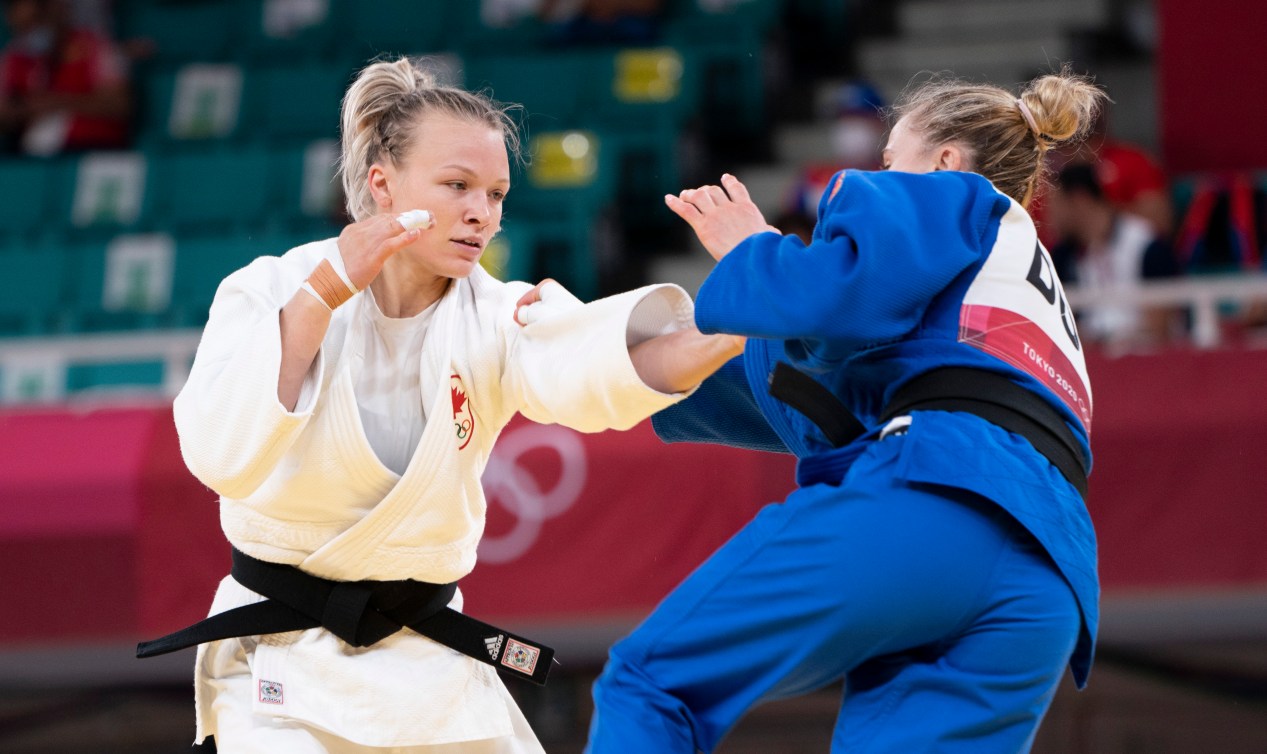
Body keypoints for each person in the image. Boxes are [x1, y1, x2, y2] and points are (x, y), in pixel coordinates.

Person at [136, 56, 743, 753]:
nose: (479, 213)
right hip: (279, 654)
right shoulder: (269, 288)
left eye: (495, 193)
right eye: (456, 185)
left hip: (427, 660)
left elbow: (601, 365)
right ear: (383, 184)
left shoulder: (496, 311)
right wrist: (324, 294)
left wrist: (735, 323)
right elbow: (220, 455)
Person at [585, 70, 1107, 753]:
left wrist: (749, 250)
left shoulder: (946, 196)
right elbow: (810, 394)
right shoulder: (1019, 285)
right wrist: (603, 362)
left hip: (937, 499)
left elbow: (824, 310)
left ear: (946, 159)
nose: (880, 172)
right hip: (1048, 579)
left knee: (653, 683)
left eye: (891, 158)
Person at [1047, 162, 1182, 350]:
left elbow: (1160, 328)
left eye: (1056, 204)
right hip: (1089, 361)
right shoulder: (1062, 256)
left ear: (1080, 199)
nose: (1050, 216)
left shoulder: (1147, 245)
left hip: (1145, 360)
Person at [0, 0, 131, 155]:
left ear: (56, 10)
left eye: (35, 22)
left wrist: (55, 103)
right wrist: (20, 109)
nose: (30, 34)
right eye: (22, 29)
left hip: (92, 151)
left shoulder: (97, 48)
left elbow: (120, 105)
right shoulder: (15, 57)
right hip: (31, 157)